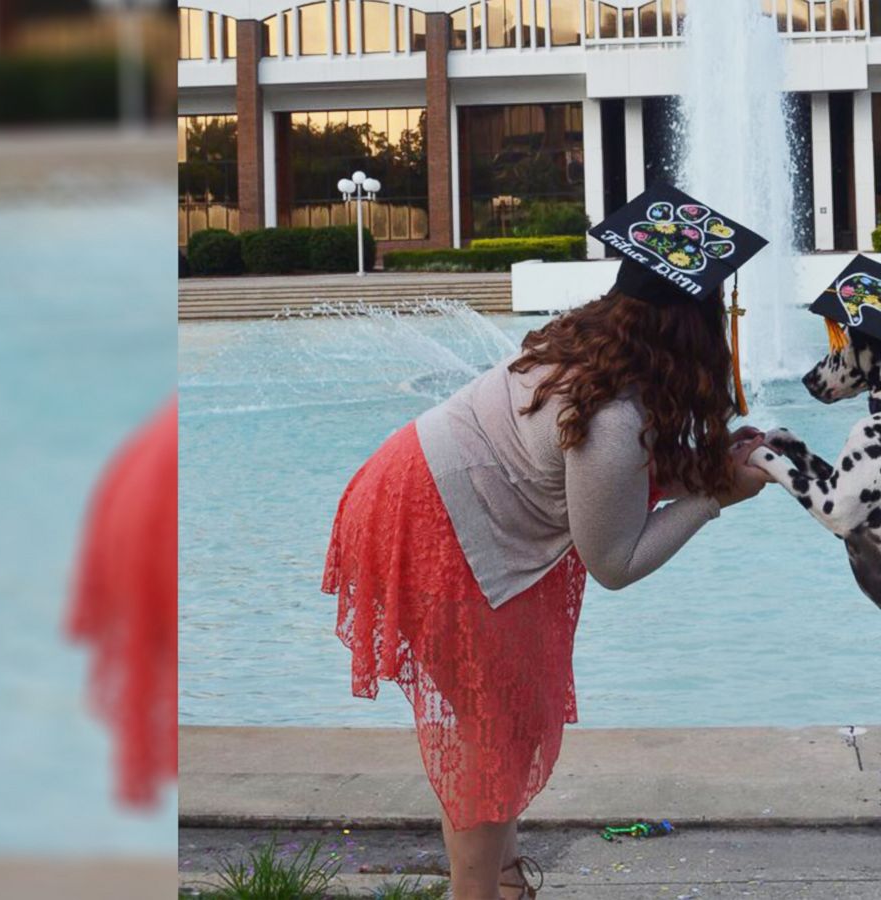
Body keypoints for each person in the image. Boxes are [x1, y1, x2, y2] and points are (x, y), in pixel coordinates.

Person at [321, 187, 771, 899]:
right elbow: (613, 560)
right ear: (696, 333)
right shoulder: (612, 416)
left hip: (416, 484)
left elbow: (605, 481)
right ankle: (478, 892)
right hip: (435, 523)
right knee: (489, 732)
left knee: (495, 723)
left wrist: (710, 466)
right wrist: (715, 497)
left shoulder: (593, 348)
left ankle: (502, 882)